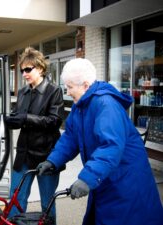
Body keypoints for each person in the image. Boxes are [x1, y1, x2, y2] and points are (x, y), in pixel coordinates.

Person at [37, 58, 163, 225]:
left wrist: (87, 178)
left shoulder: (106, 105)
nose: (67, 91)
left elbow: (110, 146)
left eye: (70, 87)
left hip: (125, 181)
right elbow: (70, 137)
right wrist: (53, 161)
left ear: (86, 85)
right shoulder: (80, 106)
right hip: (106, 177)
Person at [5, 47, 64, 223]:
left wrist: (26, 118)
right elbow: (19, 117)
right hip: (23, 154)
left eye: (28, 69)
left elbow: (54, 121)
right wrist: (11, 120)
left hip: (46, 155)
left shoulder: (54, 91)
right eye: (22, 70)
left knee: (47, 202)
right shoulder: (23, 92)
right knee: (15, 197)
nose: (24, 74)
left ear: (39, 68)